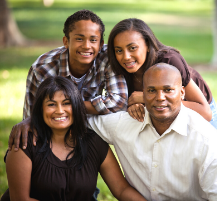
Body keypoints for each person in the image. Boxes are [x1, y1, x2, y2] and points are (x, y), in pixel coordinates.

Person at [9, 10, 128, 199]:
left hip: (81, 133)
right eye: (79, 39)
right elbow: (34, 115)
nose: (86, 46)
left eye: (93, 40)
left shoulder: (107, 59)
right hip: (51, 138)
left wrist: (72, 107)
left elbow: (119, 100)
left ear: (101, 43)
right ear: (66, 41)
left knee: (82, 180)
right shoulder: (42, 68)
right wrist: (31, 121)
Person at [88, 63, 217, 200]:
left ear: (181, 93)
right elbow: (81, 124)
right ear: (143, 93)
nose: (160, 97)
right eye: (151, 90)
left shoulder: (205, 138)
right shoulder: (123, 124)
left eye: (168, 90)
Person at [1, 76, 146, 201]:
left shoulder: (93, 142)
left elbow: (121, 189)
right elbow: (20, 199)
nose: (59, 110)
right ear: (40, 109)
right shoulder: (24, 143)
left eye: (66, 103)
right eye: (51, 104)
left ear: (77, 106)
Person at [107, 18, 217, 135]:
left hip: (195, 107)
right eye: (119, 51)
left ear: (147, 45)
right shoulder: (118, 69)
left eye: (132, 48)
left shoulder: (169, 61)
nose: (126, 56)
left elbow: (205, 112)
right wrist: (133, 106)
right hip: (163, 116)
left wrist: (145, 98)